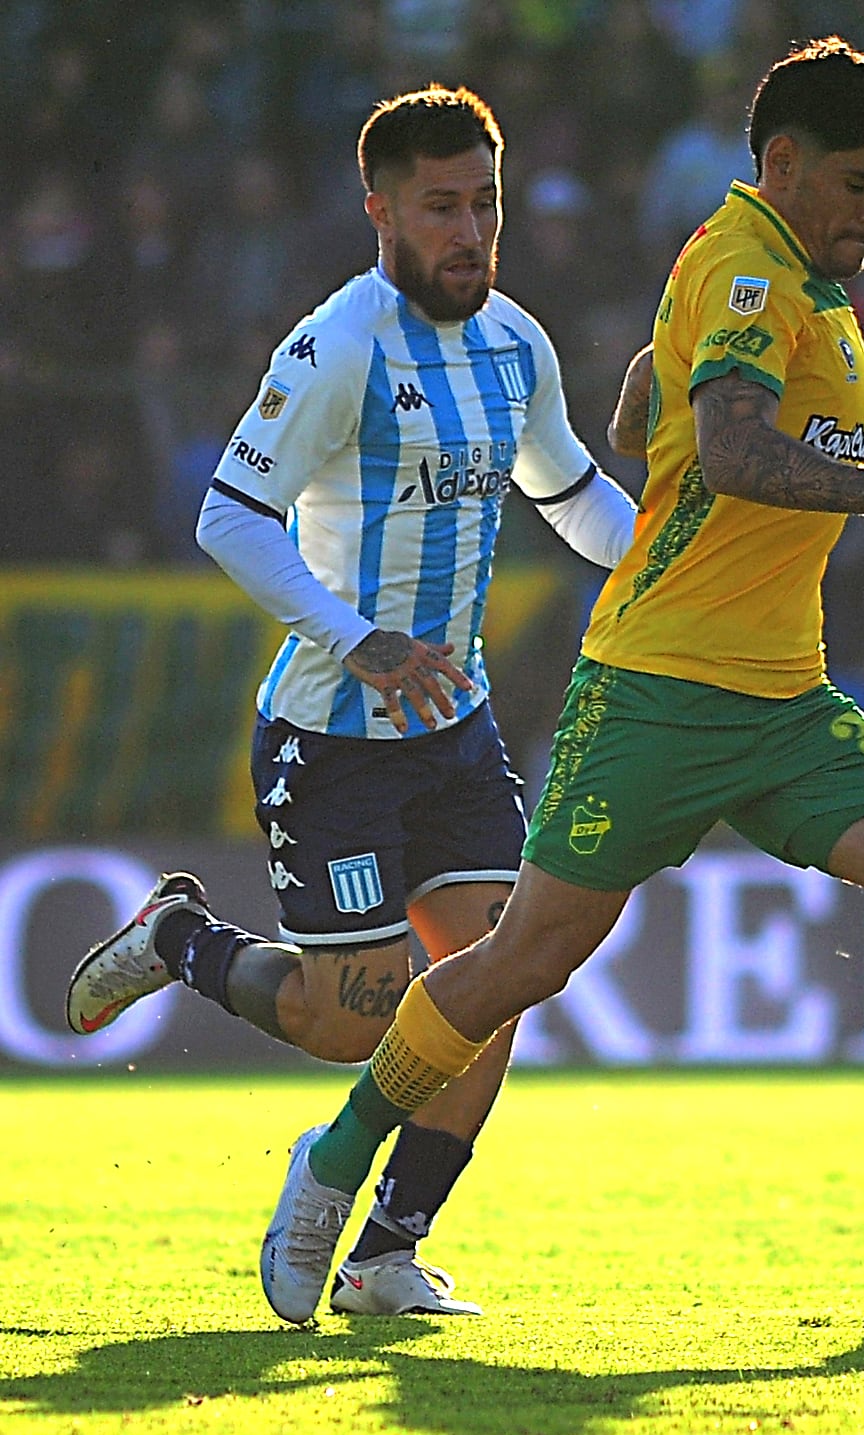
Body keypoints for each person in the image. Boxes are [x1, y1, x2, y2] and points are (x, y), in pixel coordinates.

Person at [256, 37, 864, 1326]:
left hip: (784, 698)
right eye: (858, 185)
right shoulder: (754, 263)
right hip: (653, 692)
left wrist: (661, 395)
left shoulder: (792, 277)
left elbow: (675, 418)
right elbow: (747, 451)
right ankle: (334, 1167)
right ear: (784, 163)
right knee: (518, 962)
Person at [65, 87, 639, 1319]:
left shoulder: (515, 346)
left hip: (456, 727)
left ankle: (388, 1249)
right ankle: (180, 940)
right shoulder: (337, 346)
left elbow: (575, 495)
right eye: (442, 207)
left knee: (496, 985)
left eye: (485, 201)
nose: (471, 231)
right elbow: (229, 514)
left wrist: (669, 557)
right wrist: (355, 635)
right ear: (379, 209)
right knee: (348, 1024)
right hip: (330, 734)